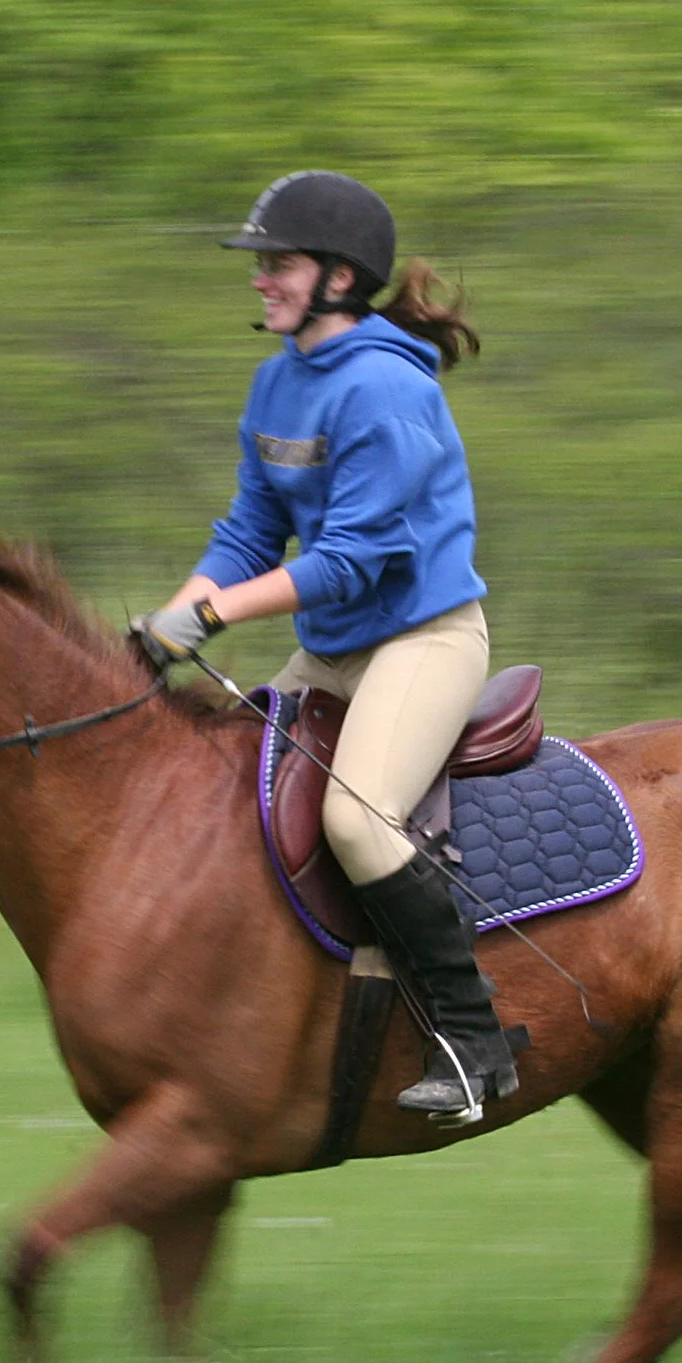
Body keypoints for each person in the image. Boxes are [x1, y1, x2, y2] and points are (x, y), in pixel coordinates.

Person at [132, 170, 522, 1118]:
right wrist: (171, 616)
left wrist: (214, 620)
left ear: (341, 279)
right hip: (338, 647)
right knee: (225, 783)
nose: (262, 280)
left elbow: (353, 561)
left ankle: (477, 1046)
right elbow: (247, 535)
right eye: (261, 264)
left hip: (423, 641)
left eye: (281, 265)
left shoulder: (384, 388)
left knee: (356, 820)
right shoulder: (279, 380)